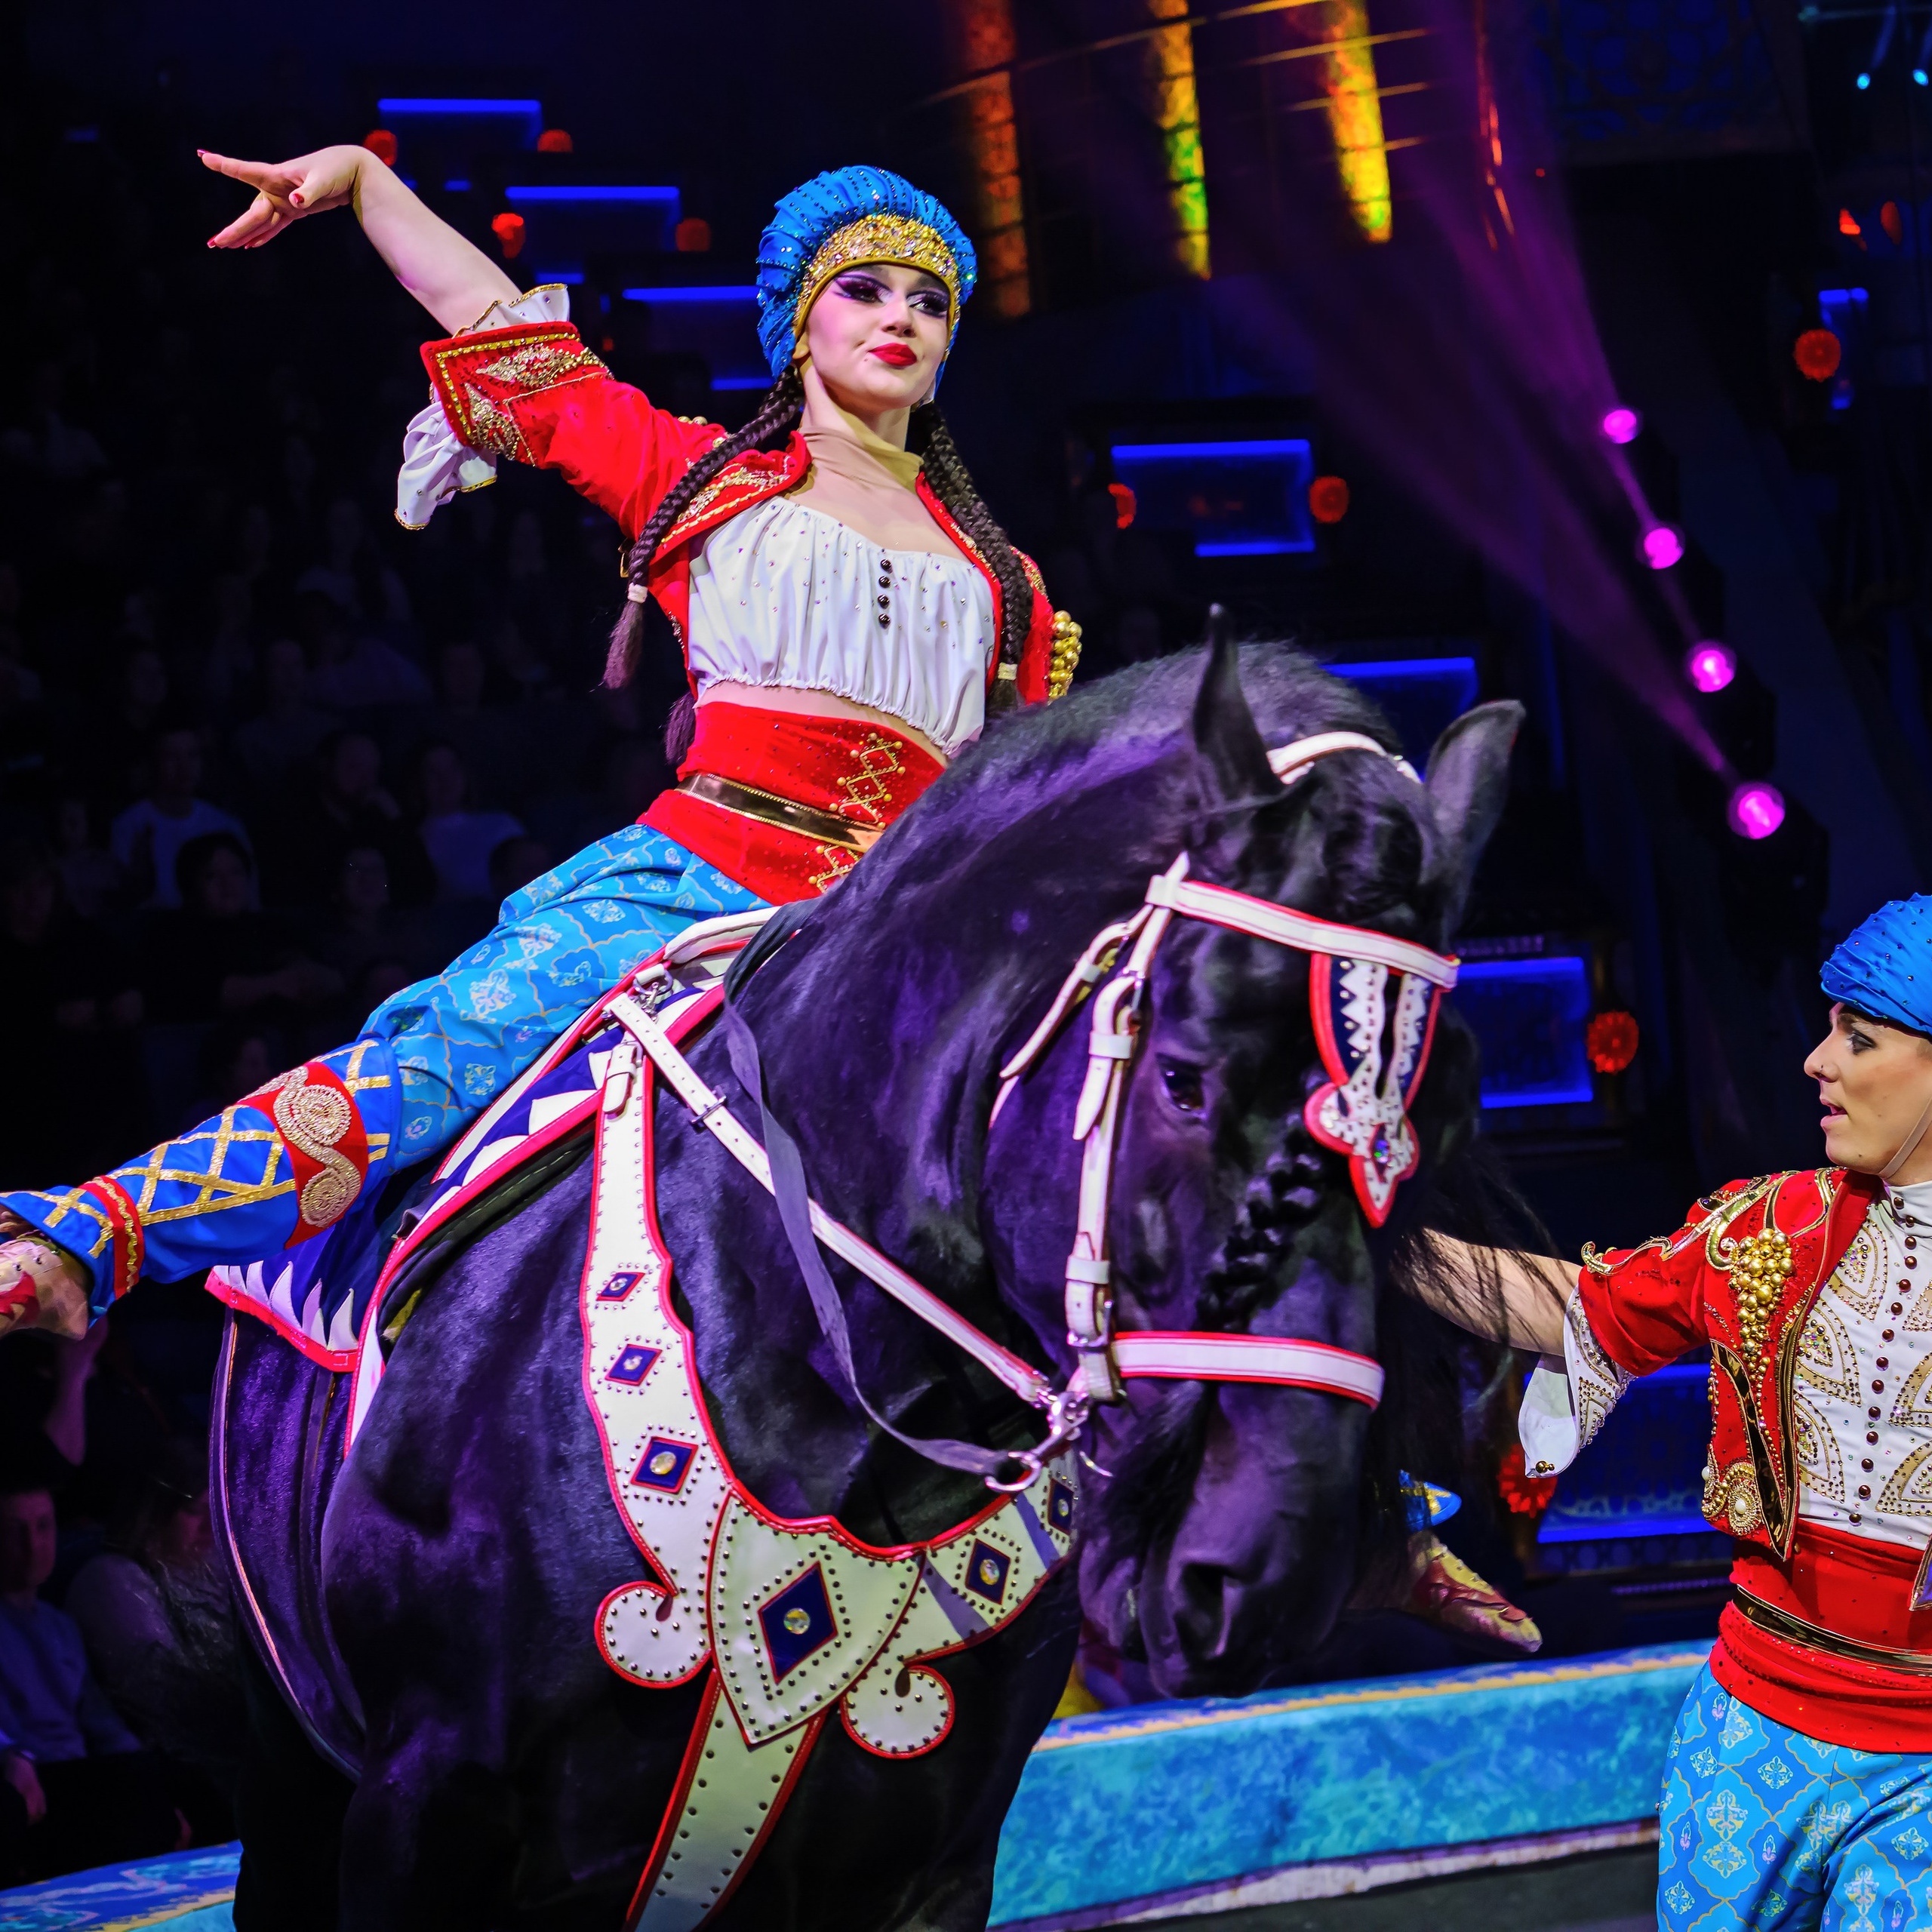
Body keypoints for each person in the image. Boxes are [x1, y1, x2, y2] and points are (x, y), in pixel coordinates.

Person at [0, 152, 1079, 1343]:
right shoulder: (705, 482)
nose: (901, 318)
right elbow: (503, 331)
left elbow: (1019, 811)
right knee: (435, 1065)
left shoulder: (1008, 582)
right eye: (866, 289)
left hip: (902, 943)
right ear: (799, 317)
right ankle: (78, 1239)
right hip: (693, 892)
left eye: (930, 303)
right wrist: (365, 184)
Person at [1424, 895, 1932, 1932]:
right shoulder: (1773, 1231)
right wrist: (1384, 1237)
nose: (1816, 1063)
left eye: (1859, 1038)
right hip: (1756, 1732)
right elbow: (1577, 1305)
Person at [0, 1467, 183, 1884]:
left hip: (78, 1773)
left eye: (44, 1527)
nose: (33, 1546)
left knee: (155, 1772)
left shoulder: (58, 1626)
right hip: (30, 1783)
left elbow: (99, 1718)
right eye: (15, 1531)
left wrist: (152, 1778)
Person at [109, 725, 251, 911]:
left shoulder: (226, 826)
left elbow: (251, 902)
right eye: (172, 756)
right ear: (154, 763)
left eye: (192, 755)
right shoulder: (128, 827)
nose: (185, 766)